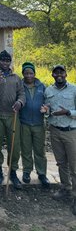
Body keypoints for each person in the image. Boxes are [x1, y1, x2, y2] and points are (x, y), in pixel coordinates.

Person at [0, 50, 25, 189]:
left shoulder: (16, 77)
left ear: (10, 62)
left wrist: (19, 102)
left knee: (14, 145)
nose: (5, 63)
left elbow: (21, 94)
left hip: (12, 115)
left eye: (8, 60)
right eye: (3, 60)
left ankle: (12, 173)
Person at [41, 65, 76, 215]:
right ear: (53, 74)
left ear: (66, 74)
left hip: (70, 132)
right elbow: (48, 111)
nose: (59, 75)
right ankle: (65, 189)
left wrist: (68, 112)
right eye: (56, 72)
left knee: (74, 166)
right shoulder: (48, 91)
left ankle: (75, 196)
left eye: (62, 72)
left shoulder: (74, 89)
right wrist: (46, 112)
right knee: (61, 163)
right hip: (55, 131)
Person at [19, 62, 50, 187]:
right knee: (26, 149)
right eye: (26, 73)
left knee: (39, 150)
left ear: (34, 74)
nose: (28, 75)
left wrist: (46, 108)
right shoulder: (20, 86)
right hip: (24, 123)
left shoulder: (41, 86)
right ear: (23, 74)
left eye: (31, 73)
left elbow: (48, 101)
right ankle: (27, 171)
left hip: (38, 123)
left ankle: (42, 173)